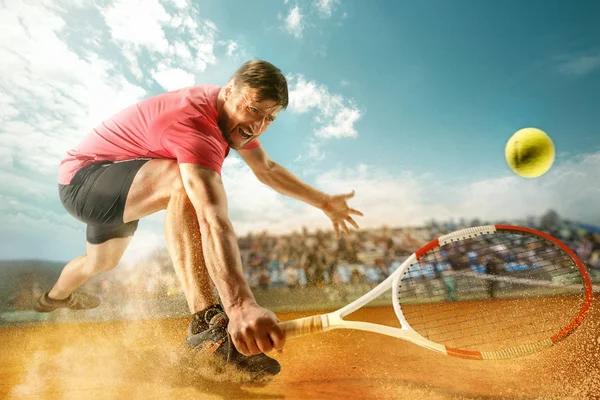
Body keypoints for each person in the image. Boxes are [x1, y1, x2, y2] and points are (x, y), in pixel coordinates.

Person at [34, 59, 363, 379]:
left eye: (270, 118)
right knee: (183, 182)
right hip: (85, 181)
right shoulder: (196, 127)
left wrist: (323, 201)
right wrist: (239, 306)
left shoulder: (229, 114)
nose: (259, 126)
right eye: (254, 112)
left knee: (100, 262)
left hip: (124, 186)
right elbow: (211, 219)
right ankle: (207, 325)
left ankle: (55, 298)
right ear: (229, 91)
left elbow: (267, 168)